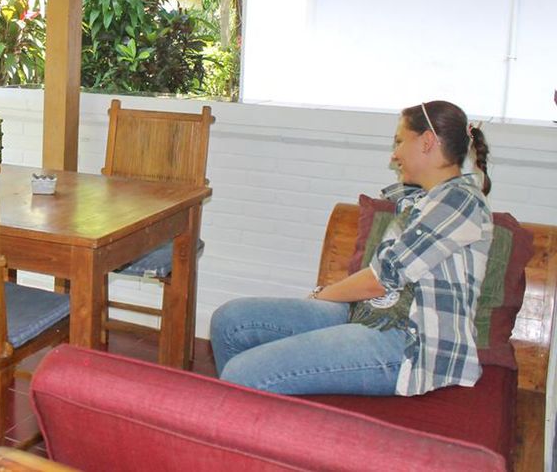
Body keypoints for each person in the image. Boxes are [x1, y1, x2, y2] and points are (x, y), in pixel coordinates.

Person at [209, 100, 493, 396]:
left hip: (411, 344)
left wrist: (319, 296)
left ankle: (240, 410)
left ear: (427, 141)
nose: (394, 154)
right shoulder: (423, 199)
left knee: (241, 373)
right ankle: (246, 413)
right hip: (370, 316)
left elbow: (381, 280)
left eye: (399, 141)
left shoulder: (460, 200)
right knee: (230, 320)